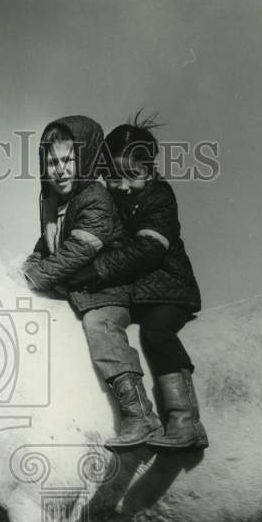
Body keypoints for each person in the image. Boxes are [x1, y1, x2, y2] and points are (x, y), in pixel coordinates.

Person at [67, 113, 207, 450]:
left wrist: (97, 272)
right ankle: (138, 416)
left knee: (156, 332)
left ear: (150, 169)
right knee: (98, 320)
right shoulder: (109, 201)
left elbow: (148, 249)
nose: (124, 185)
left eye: (133, 175)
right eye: (114, 177)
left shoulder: (160, 197)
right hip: (130, 293)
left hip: (167, 291)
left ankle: (185, 421)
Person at [21, 115, 161, 451]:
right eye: (52, 162)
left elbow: (77, 252)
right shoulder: (56, 208)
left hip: (107, 292)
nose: (60, 169)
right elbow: (45, 249)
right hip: (80, 293)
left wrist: (35, 276)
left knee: (101, 328)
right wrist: (26, 265)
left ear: (83, 159)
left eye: (68, 160)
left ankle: (139, 413)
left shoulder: (96, 197)